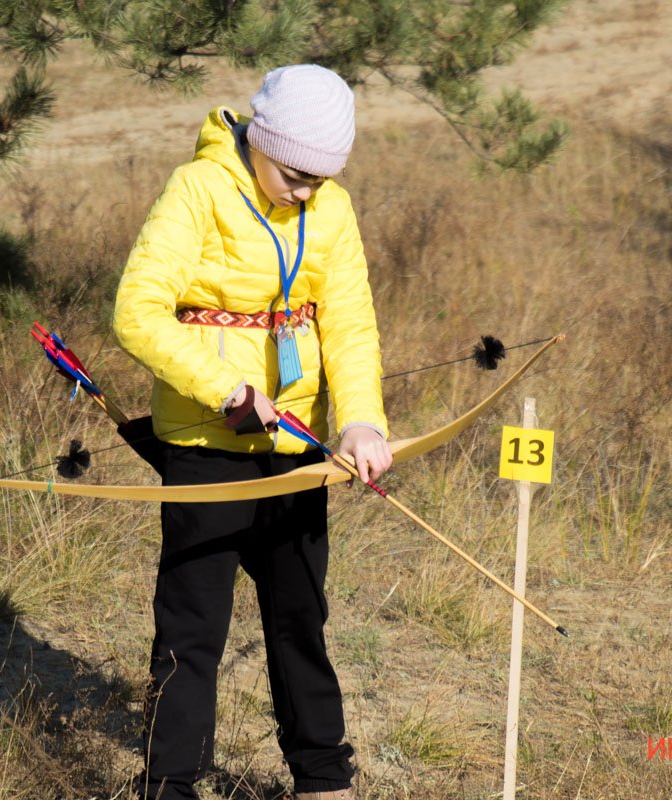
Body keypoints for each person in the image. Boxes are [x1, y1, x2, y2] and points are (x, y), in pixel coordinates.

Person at [113, 63, 392, 800]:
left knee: (300, 619)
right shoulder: (197, 189)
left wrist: (361, 421)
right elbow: (136, 311)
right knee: (192, 629)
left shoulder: (331, 208)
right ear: (260, 141)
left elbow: (350, 326)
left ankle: (323, 779)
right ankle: (169, 786)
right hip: (206, 447)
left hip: (298, 451)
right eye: (295, 176)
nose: (306, 193)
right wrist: (226, 390)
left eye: (320, 180)